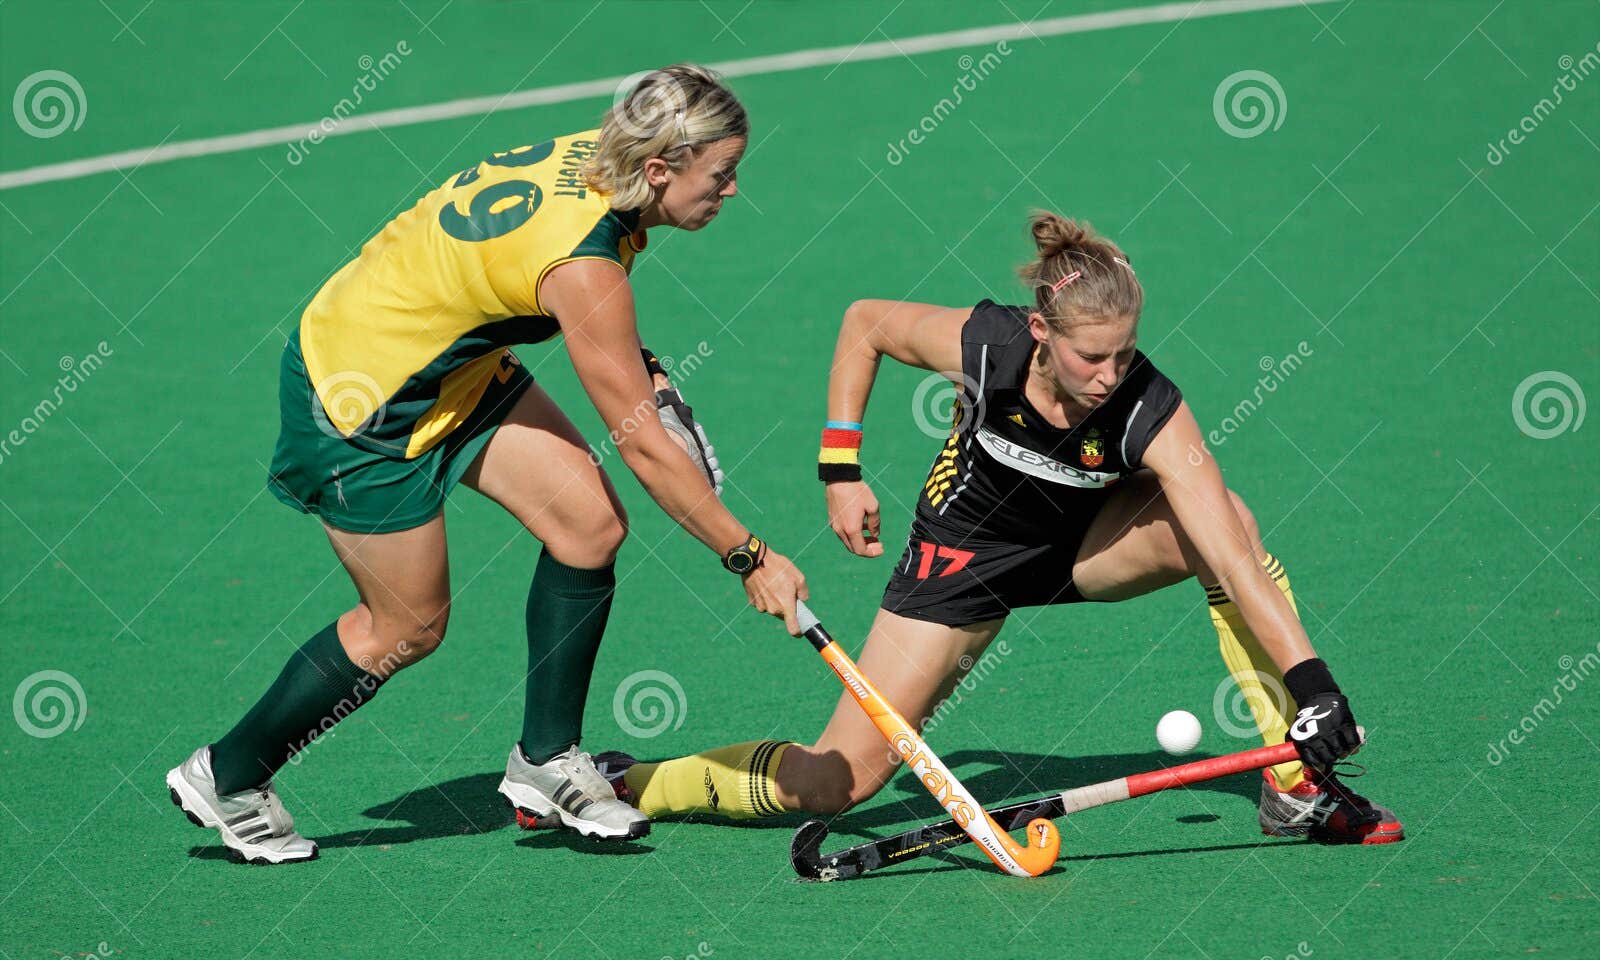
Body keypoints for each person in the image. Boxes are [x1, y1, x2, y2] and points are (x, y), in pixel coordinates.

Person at [165, 65, 806, 865]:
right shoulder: (584, 263)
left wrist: (635, 364)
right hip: (360, 398)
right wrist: (748, 555)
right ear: (658, 169)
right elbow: (641, 441)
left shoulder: (599, 158)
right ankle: (228, 774)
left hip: (447, 364)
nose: (733, 190)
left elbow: (522, 280)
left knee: (588, 526)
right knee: (407, 625)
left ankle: (546, 761)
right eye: (723, 173)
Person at [602, 212, 1400, 845]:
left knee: (1229, 518)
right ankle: (635, 779)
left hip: (1084, 548)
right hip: (963, 558)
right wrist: (839, 469)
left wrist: (1314, 686)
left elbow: (1234, 555)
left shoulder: (1151, 409)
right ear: (1044, 333)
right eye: (1094, 357)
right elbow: (865, 324)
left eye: (1125, 355)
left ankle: (1294, 788)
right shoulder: (989, 344)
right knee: (836, 781)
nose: (1111, 376)